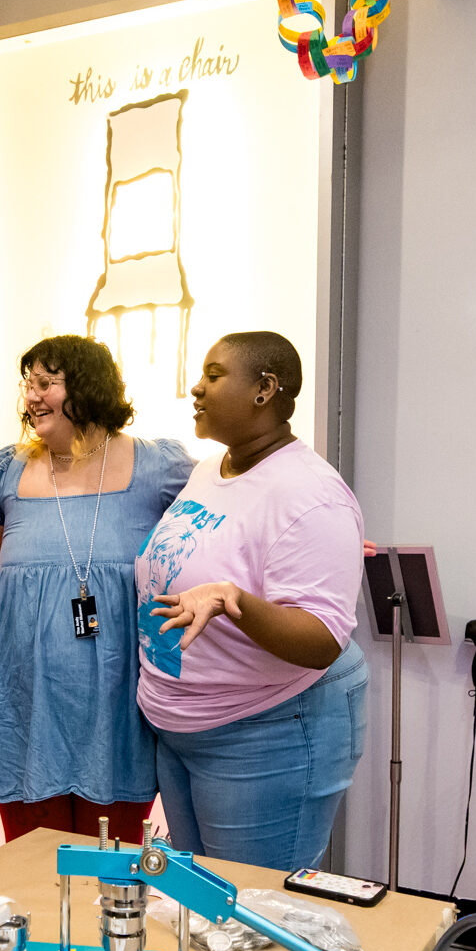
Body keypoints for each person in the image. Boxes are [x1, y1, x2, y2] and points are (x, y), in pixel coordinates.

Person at [0, 335, 194, 845]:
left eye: (45, 383)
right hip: (22, 703)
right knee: (34, 867)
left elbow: (228, 519)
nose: (30, 397)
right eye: (27, 384)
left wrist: (299, 540)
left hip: (118, 706)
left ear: (89, 385)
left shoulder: (158, 467)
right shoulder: (8, 470)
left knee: (115, 871)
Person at [135, 330, 367, 870]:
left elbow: (322, 639)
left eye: (213, 376)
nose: (196, 388)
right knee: (200, 904)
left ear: (264, 388)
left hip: (264, 734)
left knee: (253, 917)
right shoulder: (210, 470)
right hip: (183, 727)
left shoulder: (310, 495)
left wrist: (232, 599)